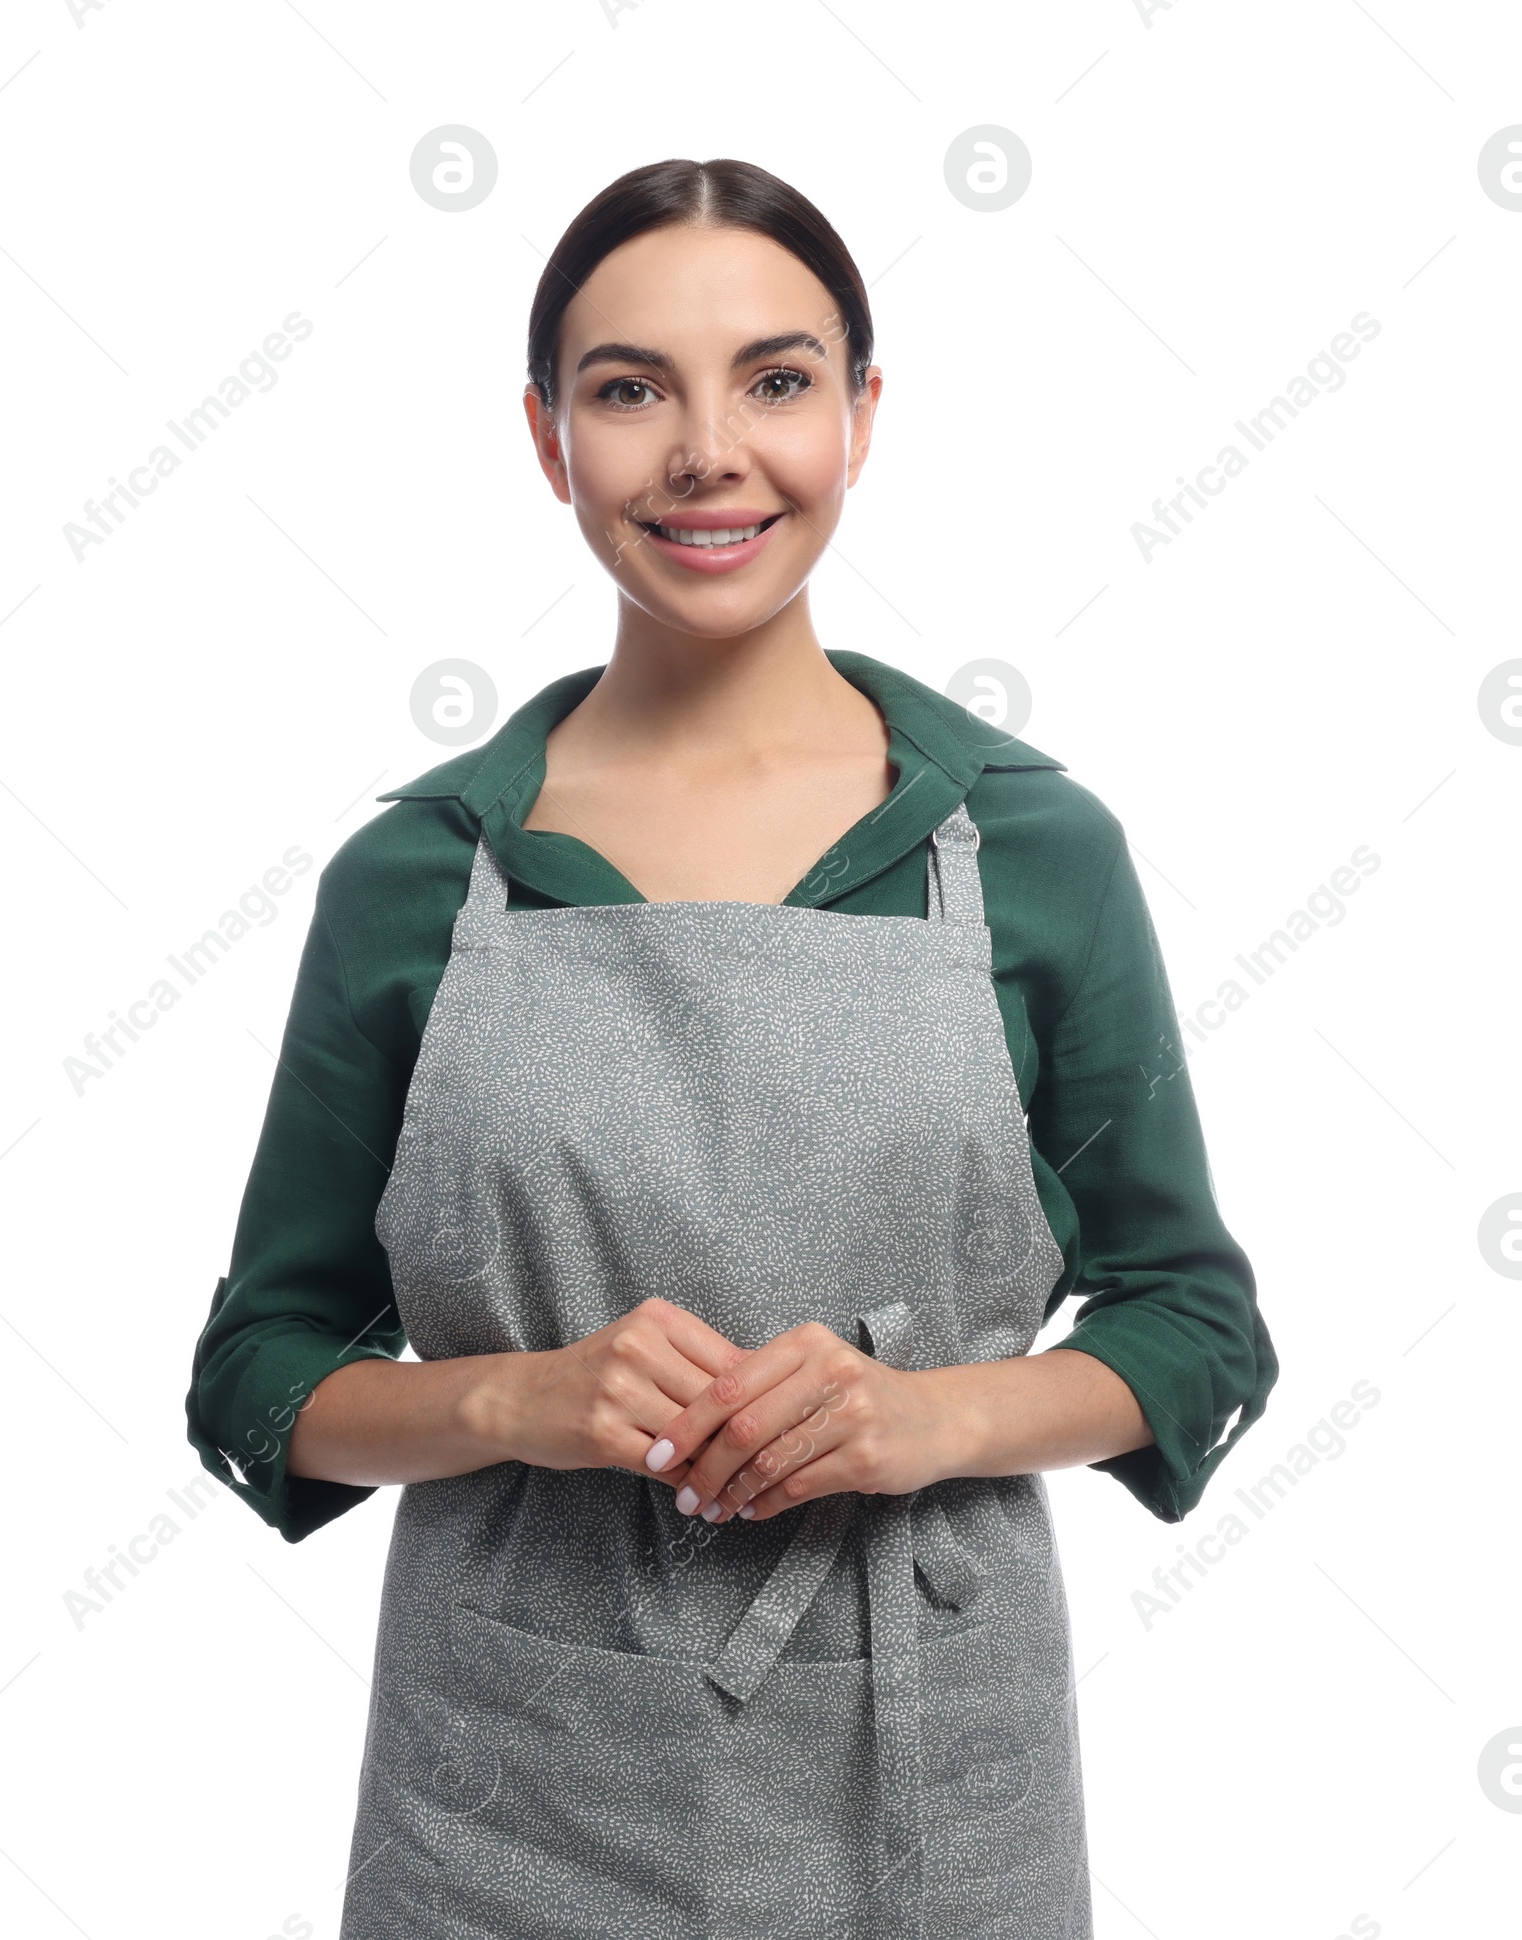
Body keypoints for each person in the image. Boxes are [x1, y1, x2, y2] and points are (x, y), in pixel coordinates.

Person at [186, 156, 1277, 1939]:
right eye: (631, 390)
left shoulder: (1029, 851)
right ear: (548, 438)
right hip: (501, 1793)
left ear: (861, 415)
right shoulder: (417, 878)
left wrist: (930, 1420)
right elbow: (258, 1374)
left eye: (776, 381)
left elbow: (1196, 1326)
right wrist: (507, 1397)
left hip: (938, 1782)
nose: (709, 452)